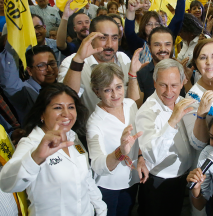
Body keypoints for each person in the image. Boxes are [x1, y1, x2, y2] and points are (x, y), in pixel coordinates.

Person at [0, 83, 107, 215]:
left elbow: (86, 178)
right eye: (58, 107)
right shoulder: (32, 144)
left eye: (71, 107)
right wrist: (36, 158)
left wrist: (100, 208)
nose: (66, 114)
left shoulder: (72, 137)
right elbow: (7, 184)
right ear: (42, 114)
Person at [135, 58, 200, 216]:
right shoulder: (146, 112)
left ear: (183, 81)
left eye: (174, 85)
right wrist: (172, 121)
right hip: (159, 183)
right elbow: (151, 155)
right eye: (163, 85)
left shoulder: (184, 103)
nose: (169, 92)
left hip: (182, 179)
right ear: (154, 82)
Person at [87, 63, 148, 216]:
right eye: (108, 90)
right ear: (97, 92)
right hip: (107, 187)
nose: (115, 95)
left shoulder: (130, 105)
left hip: (131, 180)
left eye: (119, 87)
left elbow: (139, 137)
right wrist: (120, 151)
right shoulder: (94, 123)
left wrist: (140, 157)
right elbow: (97, 165)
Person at [58, 16, 139, 114]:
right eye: (103, 38)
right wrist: (78, 60)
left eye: (114, 38)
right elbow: (66, 98)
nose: (109, 44)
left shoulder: (123, 59)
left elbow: (133, 102)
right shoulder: (72, 62)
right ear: (91, 39)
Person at [0, 43, 58, 125]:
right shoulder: (23, 91)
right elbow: (8, 81)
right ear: (29, 70)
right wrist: (11, 42)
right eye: (41, 66)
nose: (49, 69)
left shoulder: (62, 87)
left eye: (52, 63)